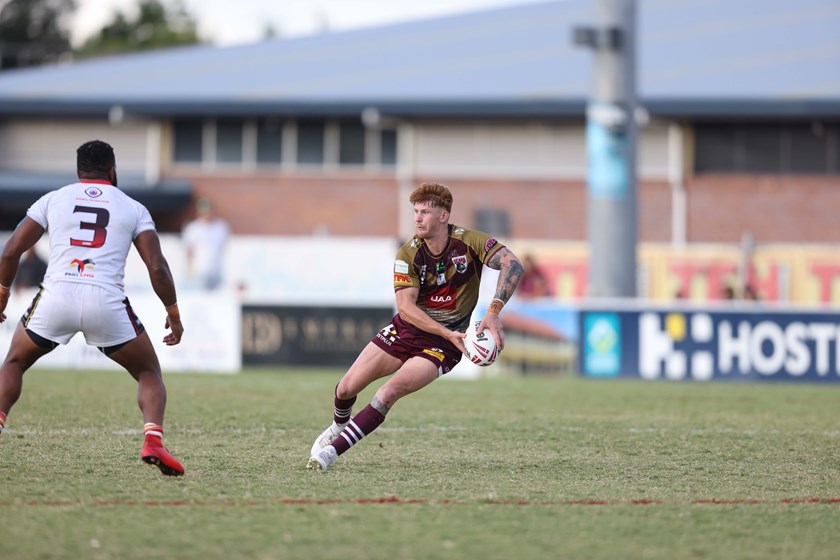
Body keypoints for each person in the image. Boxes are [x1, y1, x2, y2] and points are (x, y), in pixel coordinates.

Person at [0, 140, 185, 477]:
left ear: (78, 171)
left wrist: (1, 297)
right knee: (148, 372)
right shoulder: (133, 207)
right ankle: (153, 440)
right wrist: (173, 314)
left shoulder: (54, 199)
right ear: (112, 171)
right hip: (106, 302)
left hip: (57, 296)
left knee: (14, 362)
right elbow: (157, 267)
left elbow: (11, 251)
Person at [307, 182, 523, 471]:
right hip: (408, 330)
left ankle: (330, 454)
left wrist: (494, 311)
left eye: (425, 212)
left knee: (388, 393)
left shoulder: (470, 242)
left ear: (444, 216)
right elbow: (406, 308)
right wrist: (445, 330)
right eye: (416, 212)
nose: (418, 218)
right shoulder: (408, 254)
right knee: (346, 388)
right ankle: (337, 426)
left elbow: (513, 264)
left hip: (445, 345)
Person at [182, 197, 229, 291]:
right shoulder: (193, 228)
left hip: (217, 269)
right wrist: (190, 268)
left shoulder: (221, 226)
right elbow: (189, 250)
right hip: (200, 270)